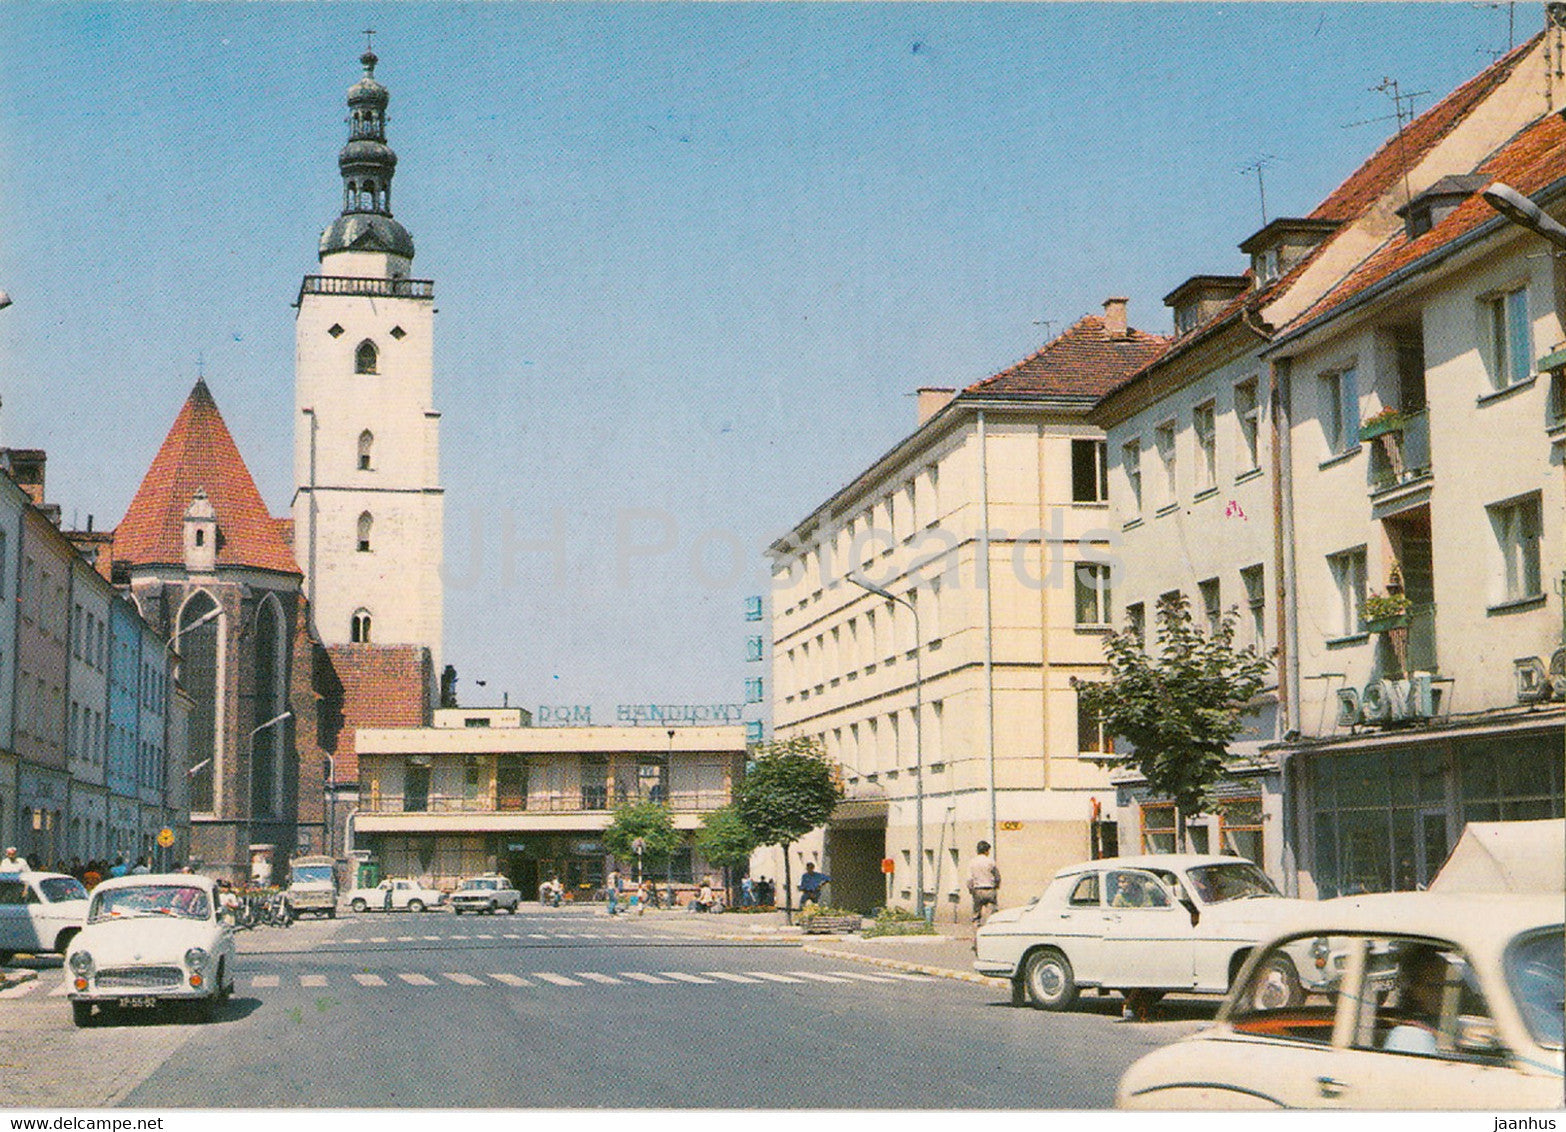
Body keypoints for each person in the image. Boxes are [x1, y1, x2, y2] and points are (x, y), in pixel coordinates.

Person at [1383, 946, 1449, 1055]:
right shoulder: (1412, 1036)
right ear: (1414, 989)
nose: (1442, 994)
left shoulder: (1433, 1027)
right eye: (1435, 986)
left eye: (1445, 986)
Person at [966, 840, 1002, 928]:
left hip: (978, 889)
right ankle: (990, 927)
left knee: (977, 912)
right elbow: (997, 876)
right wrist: (996, 886)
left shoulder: (972, 862)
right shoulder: (990, 862)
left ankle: (976, 927)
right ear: (986, 851)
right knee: (991, 912)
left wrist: (971, 889)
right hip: (990, 889)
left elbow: (969, 878)